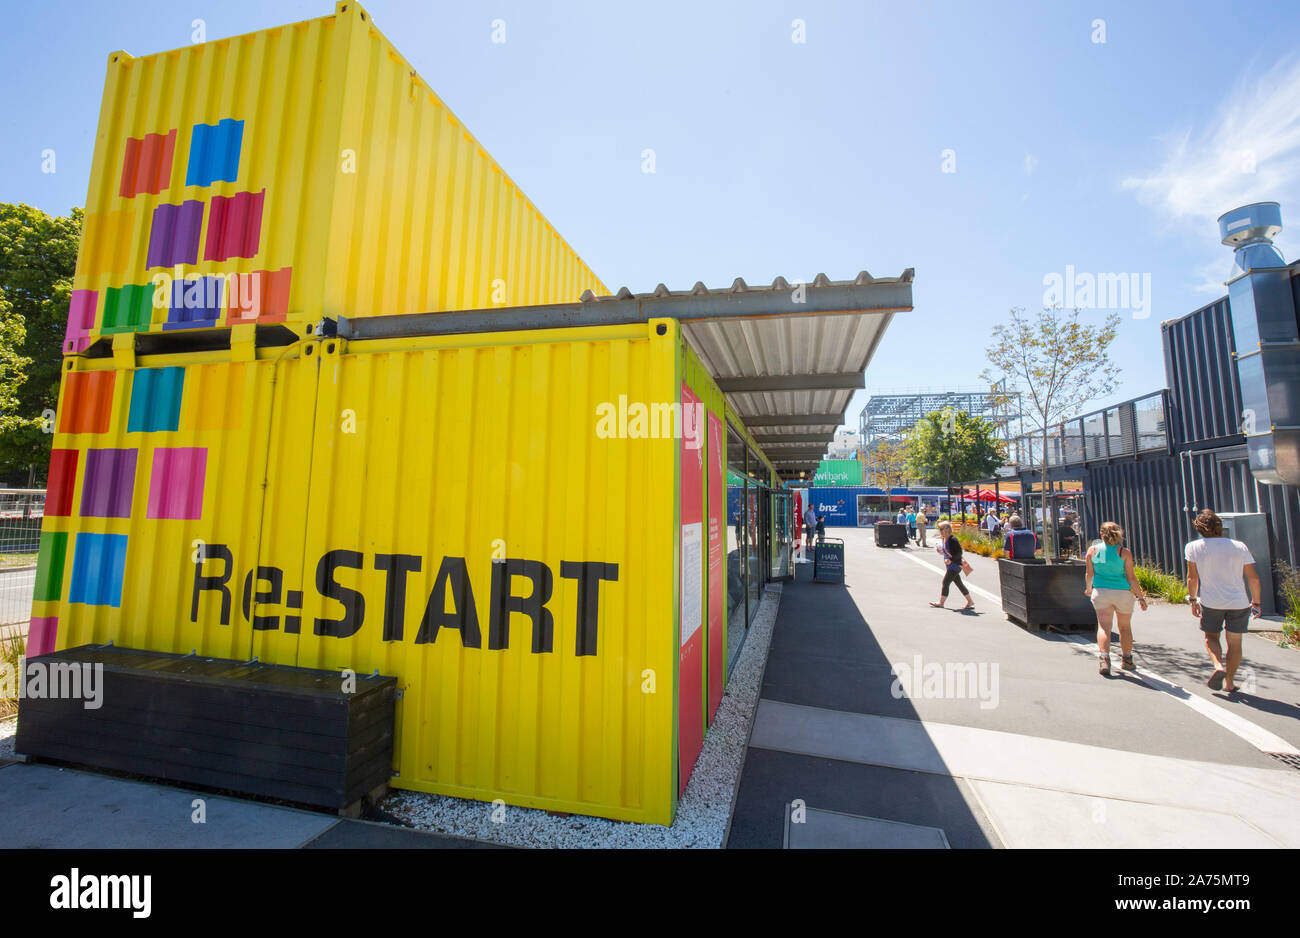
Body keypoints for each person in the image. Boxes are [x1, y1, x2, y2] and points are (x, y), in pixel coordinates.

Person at [1185, 509, 1261, 694]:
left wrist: (1193, 600)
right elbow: (1253, 578)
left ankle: (1218, 665)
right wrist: (1256, 602)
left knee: (1211, 636)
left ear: (1199, 528)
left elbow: (1192, 578)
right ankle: (1229, 682)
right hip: (1239, 602)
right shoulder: (1239, 546)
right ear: (1219, 526)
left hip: (1211, 602)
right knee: (1235, 642)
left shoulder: (1193, 547)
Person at [1085, 521, 1148, 676]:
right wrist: (1140, 597)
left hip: (1101, 592)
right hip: (1122, 593)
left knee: (1104, 626)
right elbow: (1131, 577)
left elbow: (1089, 573)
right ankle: (1127, 659)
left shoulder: (1093, 551)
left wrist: (1088, 588)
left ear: (1101, 534)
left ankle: (1104, 658)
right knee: (1124, 627)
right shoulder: (1124, 552)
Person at [930, 520, 974, 611]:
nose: (939, 530)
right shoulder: (944, 539)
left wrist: (950, 560)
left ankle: (941, 603)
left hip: (955, 566)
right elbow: (948, 552)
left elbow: (958, 553)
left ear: (946, 529)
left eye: (941, 528)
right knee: (959, 584)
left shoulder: (953, 539)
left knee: (945, 582)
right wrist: (941, 552)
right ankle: (970, 602)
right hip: (951, 565)